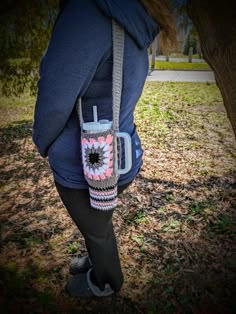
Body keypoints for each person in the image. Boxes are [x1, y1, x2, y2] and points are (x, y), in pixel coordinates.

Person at [33, 0, 176, 297]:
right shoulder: (134, 16)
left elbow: (54, 99)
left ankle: (106, 282)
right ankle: (95, 256)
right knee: (98, 221)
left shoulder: (86, 13)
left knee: (98, 231)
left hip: (82, 166)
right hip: (124, 154)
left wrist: (44, 142)